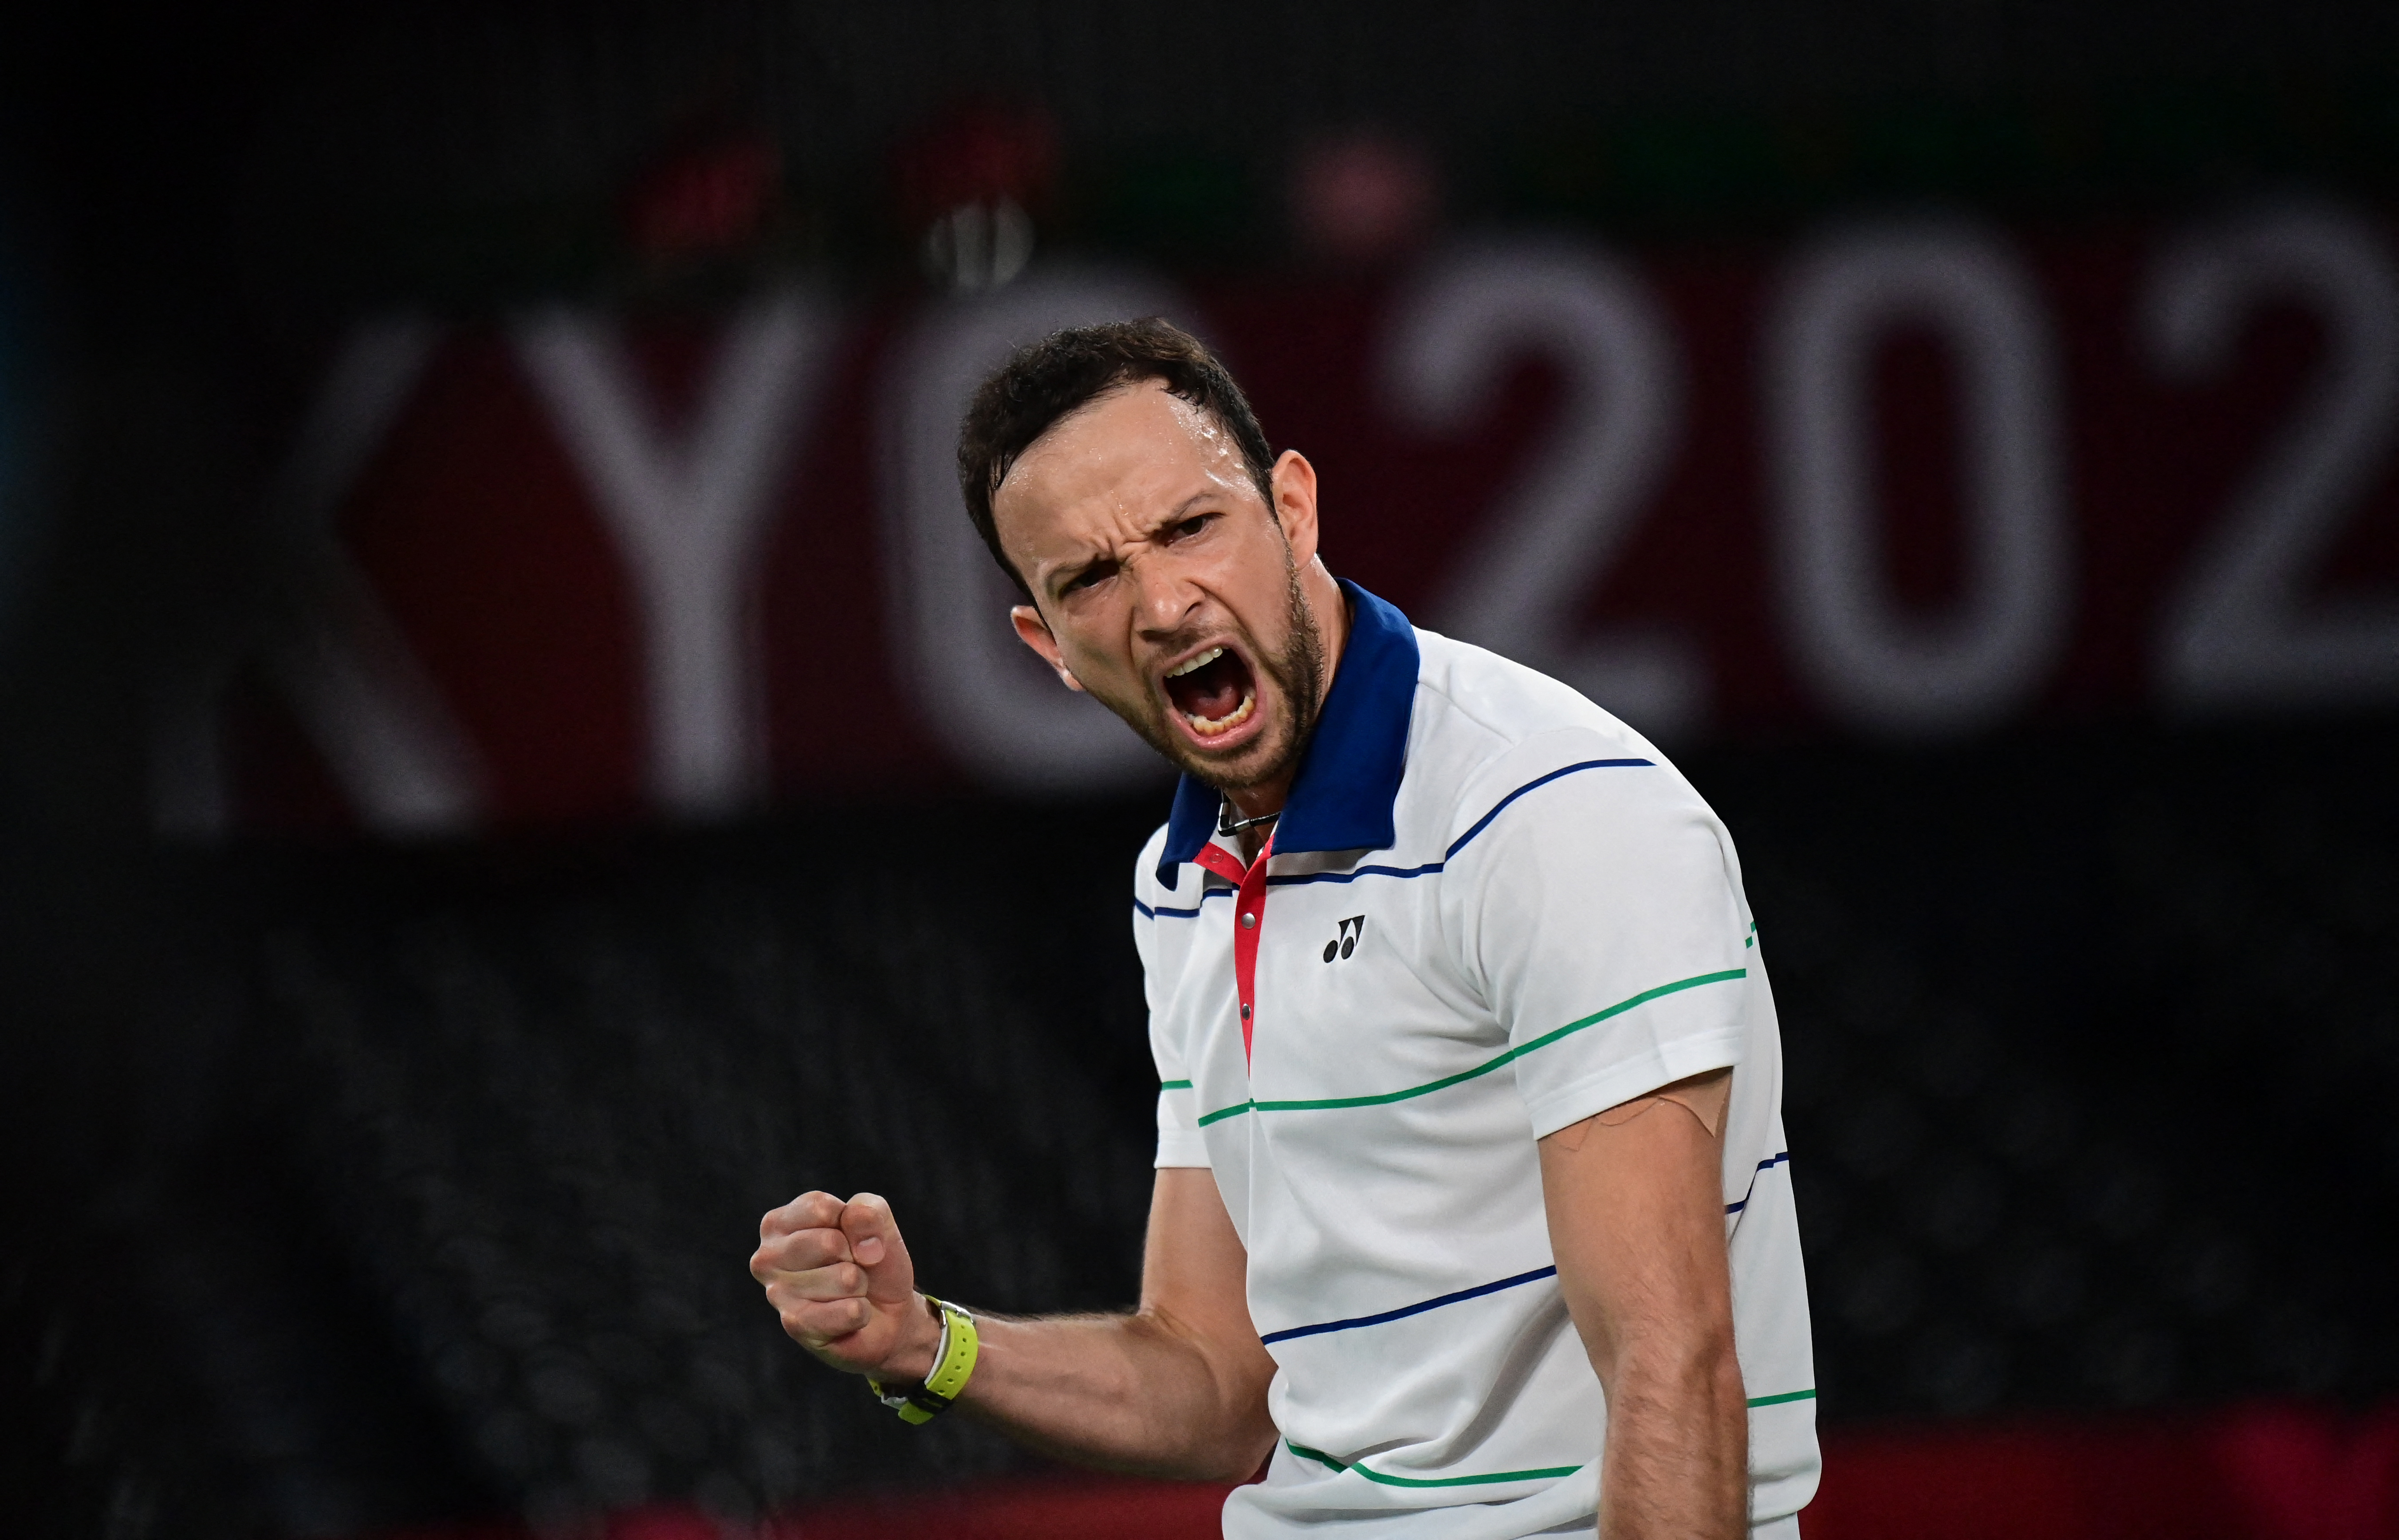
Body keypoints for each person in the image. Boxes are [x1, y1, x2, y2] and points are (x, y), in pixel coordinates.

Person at [750, 318, 1817, 1539]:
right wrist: (927, 1346)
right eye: (1090, 578)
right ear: (1049, 648)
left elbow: (1671, 1364)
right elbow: (1216, 1379)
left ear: (1293, 508)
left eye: (1190, 526)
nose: (1159, 602)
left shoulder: (1548, 812)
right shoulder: (1182, 881)